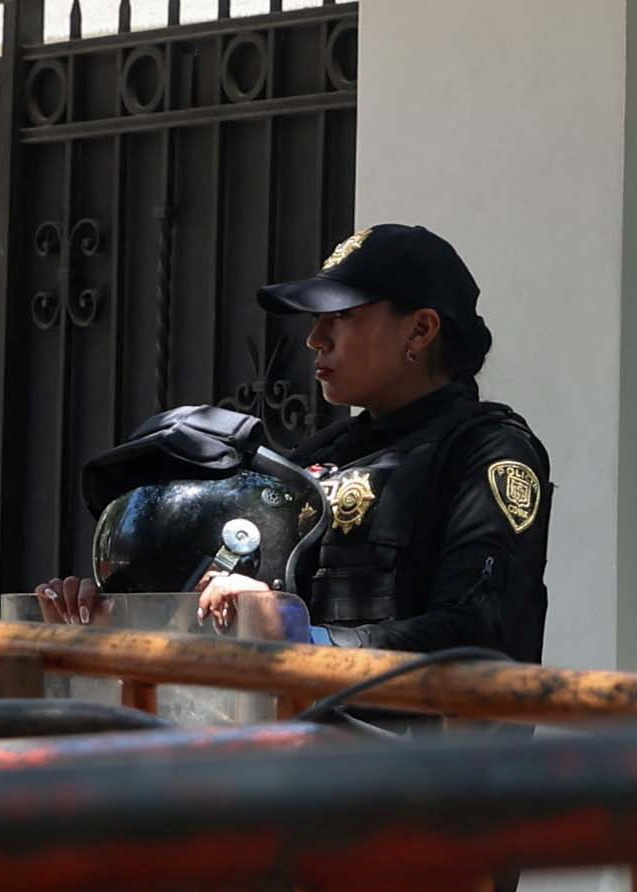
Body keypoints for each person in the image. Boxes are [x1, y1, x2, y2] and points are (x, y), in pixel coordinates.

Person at [39, 223, 553, 664]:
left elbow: (481, 639)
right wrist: (108, 611)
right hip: (283, 760)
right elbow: (214, 611)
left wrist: (305, 641)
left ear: (419, 331)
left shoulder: (488, 454)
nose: (316, 338)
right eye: (316, 319)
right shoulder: (310, 460)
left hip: (414, 774)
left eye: (343, 316)